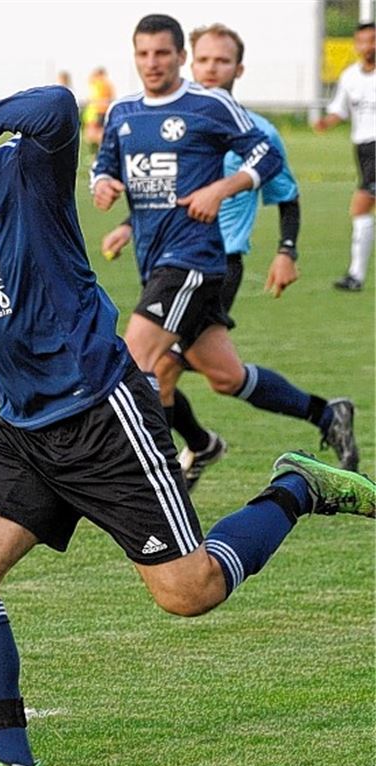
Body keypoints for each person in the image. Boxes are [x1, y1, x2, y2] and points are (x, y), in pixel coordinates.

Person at [0, 71, 376, 766]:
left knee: (188, 593)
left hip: (102, 411)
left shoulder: (23, 169)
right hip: (23, 426)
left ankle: (298, 487)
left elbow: (55, 109)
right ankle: (11, 761)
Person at [91, 15, 359, 482]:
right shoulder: (141, 114)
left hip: (205, 262)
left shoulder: (235, 120)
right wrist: (122, 212)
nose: (212, 68)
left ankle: (158, 475)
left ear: (238, 67)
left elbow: (282, 187)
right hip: (162, 259)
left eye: (223, 60)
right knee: (225, 376)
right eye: (206, 59)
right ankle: (323, 414)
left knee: (142, 362)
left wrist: (284, 249)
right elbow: (146, 180)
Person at [313, 22, 375, 292]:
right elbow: (341, 110)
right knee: (361, 208)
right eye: (362, 41)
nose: (367, 46)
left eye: (372, 40)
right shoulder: (350, 76)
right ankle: (355, 276)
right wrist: (326, 122)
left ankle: (355, 276)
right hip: (362, 149)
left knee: (360, 207)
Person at [82, 66, 114, 151]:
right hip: (103, 110)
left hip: (97, 111)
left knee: (93, 133)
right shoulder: (107, 84)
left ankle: (99, 148)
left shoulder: (98, 84)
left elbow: (95, 98)